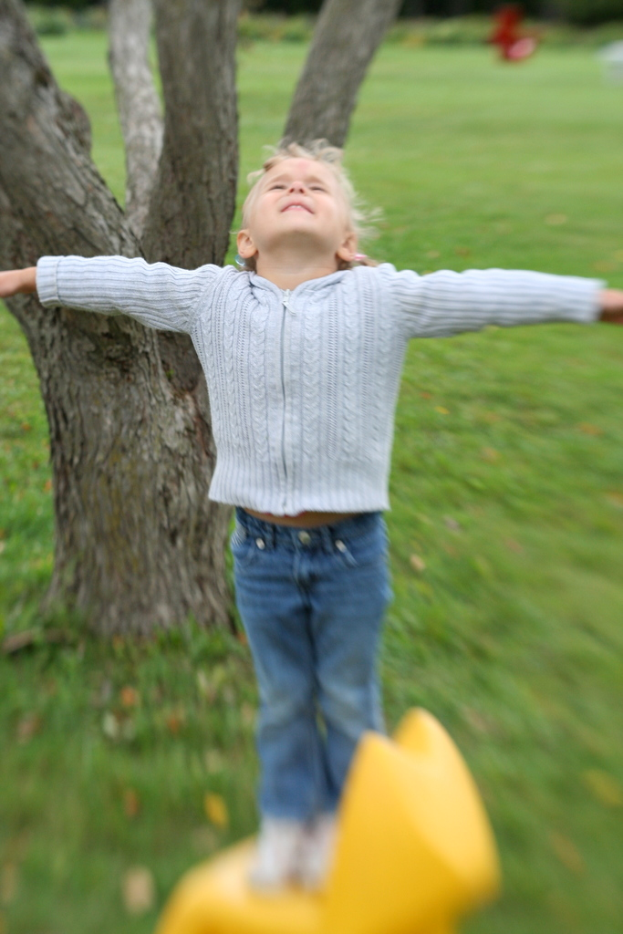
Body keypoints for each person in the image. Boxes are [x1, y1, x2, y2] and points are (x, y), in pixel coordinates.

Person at [1, 141, 622, 893]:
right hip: (258, 554)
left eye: (316, 185)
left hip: (351, 554)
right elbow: (125, 281)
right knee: (286, 700)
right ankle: (288, 822)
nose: (296, 188)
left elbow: (489, 293)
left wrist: (594, 300)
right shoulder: (211, 296)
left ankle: (347, 824)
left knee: (349, 700)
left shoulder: (384, 297)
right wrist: (35, 276)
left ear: (348, 240)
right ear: (246, 239)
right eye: (278, 184)